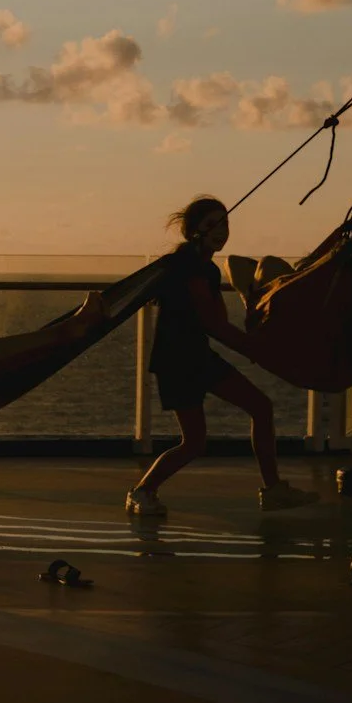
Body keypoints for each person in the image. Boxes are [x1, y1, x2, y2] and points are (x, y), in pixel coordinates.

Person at [125, 196, 317, 517]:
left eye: (225, 223)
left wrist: (251, 344)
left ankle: (273, 490)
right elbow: (213, 324)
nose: (221, 230)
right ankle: (142, 491)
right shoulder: (189, 266)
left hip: (196, 356)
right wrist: (254, 349)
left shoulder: (205, 268)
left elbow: (218, 322)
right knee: (196, 442)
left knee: (259, 408)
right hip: (178, 362)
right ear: (194, 230)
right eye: (212, 224)